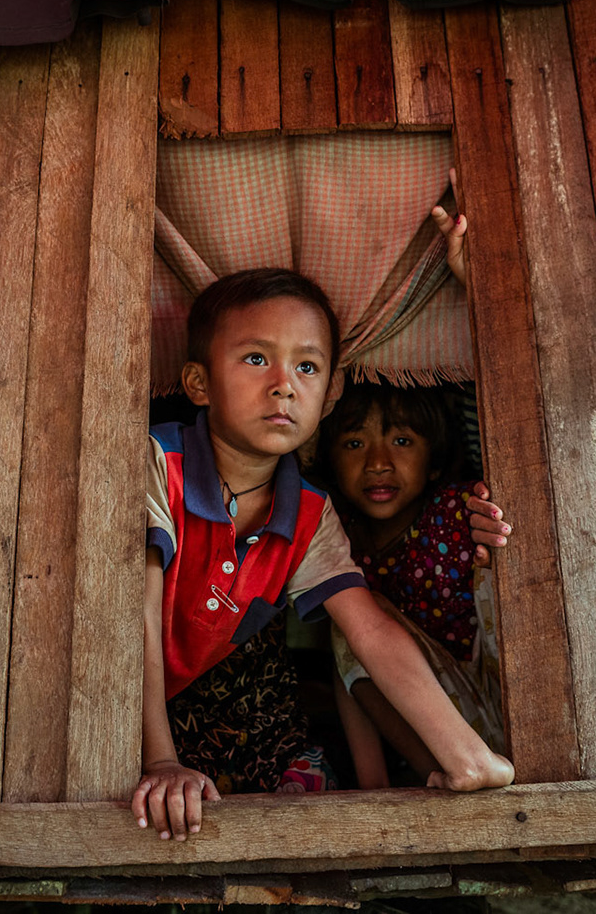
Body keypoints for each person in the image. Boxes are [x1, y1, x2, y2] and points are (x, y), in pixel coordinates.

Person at [135, 268, 513, 842]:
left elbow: (372, 634)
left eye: (307, 367)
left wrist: (466, 754)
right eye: (257, 359)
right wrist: (160, 760)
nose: (285, 384)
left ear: (330, 392)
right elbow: (129, 612)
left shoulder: (310, 512)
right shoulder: (158, 463)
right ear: (198, 381)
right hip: (95, 702)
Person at [317, 382, 510, 787]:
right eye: (354, 444)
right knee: (347, 615)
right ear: (330, 463)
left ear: (434, 462)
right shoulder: (336, 540)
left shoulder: (459, 513)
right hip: (442, 732)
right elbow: (347, 671)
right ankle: (431, 777)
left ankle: (463, 765)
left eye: (401, 440)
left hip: (509, 702)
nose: (378, 463)